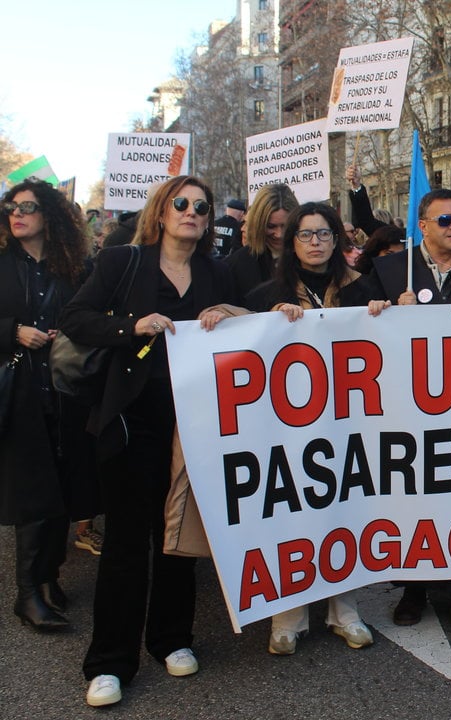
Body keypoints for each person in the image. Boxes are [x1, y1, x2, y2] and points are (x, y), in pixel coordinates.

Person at [60, 175, 238, 708]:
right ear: (161, 211)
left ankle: (172, 638)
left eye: (201, 207)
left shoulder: (216, 272)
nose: (191, 212)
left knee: (178, 533)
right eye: (181, 204)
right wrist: (131, 326)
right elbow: (76, 318)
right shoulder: (123, 262)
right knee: (126, 542)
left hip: (194, 427)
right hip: (131, 420)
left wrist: (227, 314)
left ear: (208, 221)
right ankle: (110, 661)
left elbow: (246, 327)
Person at [366, 188, 451, 634]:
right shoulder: (389, 270)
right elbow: (349, 323)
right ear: (422, 226)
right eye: (444, 220)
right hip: (407, 411)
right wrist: (381, 311)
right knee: (415, 497)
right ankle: (414, 588)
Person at [244, 203, 374, 654]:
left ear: (337, 241)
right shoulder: (266, 294)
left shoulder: (362, 290)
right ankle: (288, 615)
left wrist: (387, 314)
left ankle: (346, 609)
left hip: (352, 421)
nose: (315, 242)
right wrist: (249, 322)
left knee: (348, 509)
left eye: (324, 234)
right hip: (290, 426)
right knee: (292, 512)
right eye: (305, 234)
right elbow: (239, 344)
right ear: (290, 242)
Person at [0, 180, 93, 631]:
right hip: (17, 391)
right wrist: (13, 331)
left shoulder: (69, 266)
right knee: (33, 494)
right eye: (12, 207)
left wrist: (67, 331)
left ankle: (50, 578)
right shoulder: (2, 263)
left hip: (61, 388)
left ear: (49, 216)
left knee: (61, 487)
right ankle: (27, 594)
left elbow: (87, 314)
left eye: (29, 207)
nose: (18, 214)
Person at [224, 183, 297, 298]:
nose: (279, 234)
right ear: (258, 223)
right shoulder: (234, 266)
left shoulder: (310, 258)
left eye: (286, 226)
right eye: (271, 226)